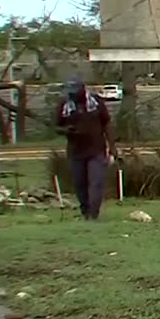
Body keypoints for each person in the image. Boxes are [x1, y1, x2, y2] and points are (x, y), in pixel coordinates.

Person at [56, 76, 117, 220]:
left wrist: (112, 146)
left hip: (96, 150)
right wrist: (66, 130)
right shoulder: (65, 105)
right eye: (69, 92)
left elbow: (106, 123)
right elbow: (56, 126)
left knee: (96, 182)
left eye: (74, 92)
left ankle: (93, 214)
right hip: (75, 151)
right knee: (79, 184)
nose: (72, 95)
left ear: (83, 90)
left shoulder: (96, 103)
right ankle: (85, 211)